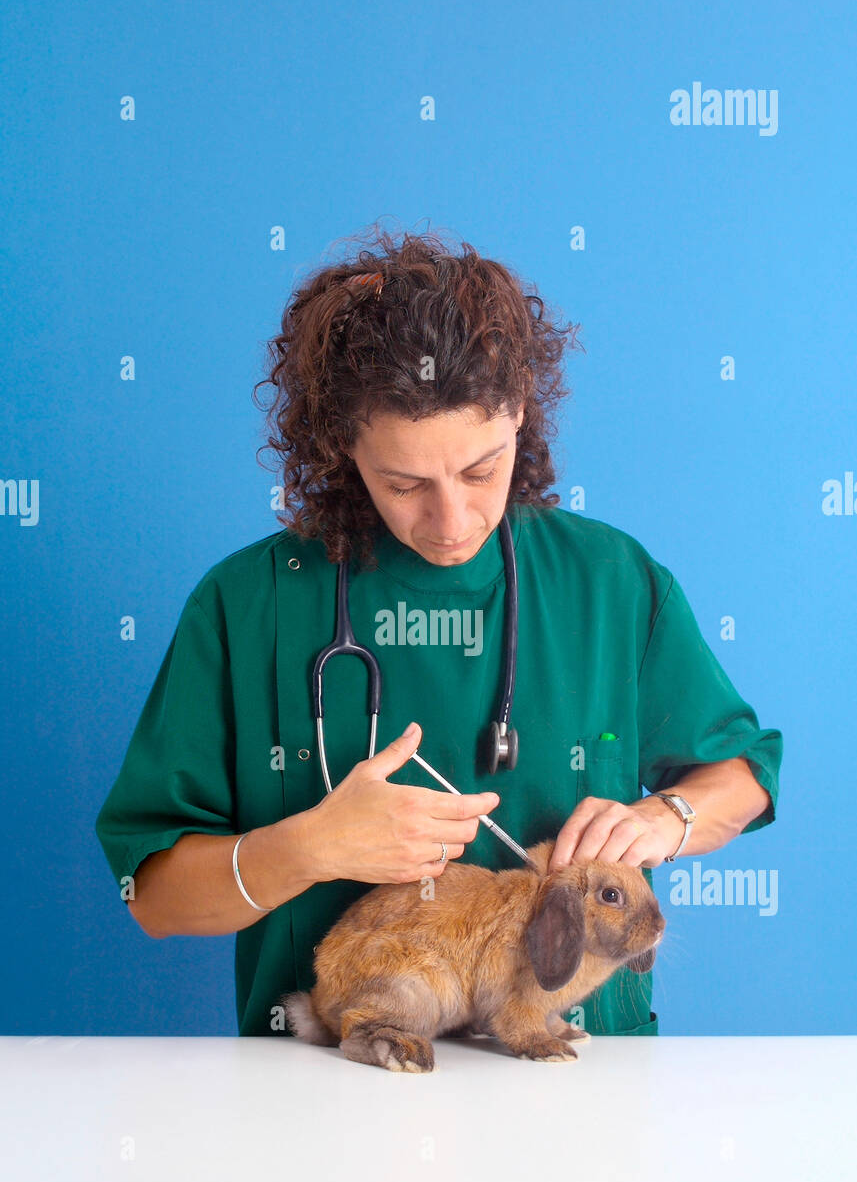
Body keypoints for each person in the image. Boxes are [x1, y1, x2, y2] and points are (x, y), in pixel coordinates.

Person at [95, 226, 782, 1039]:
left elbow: (742, 778)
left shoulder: (610, 582)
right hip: (328, 1085)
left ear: (521, 413)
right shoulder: (248, 604)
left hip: (576, 1077)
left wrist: (666, 816)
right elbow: (155, 898)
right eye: (404, 482)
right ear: (341, 447)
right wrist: (310, 847)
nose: (452, 521)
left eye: (481, 469)